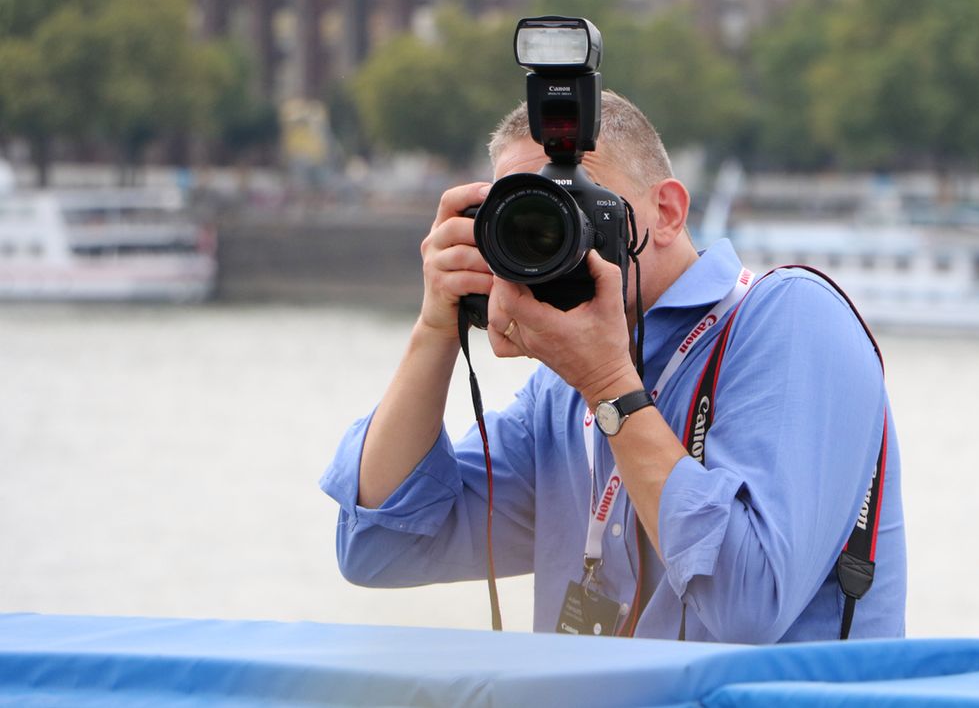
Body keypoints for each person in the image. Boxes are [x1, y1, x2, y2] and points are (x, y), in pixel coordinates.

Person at [320, 92, 906, 643]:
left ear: (668, 212)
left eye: (582, 204)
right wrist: (435, 329)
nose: (553, 238)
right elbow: (377, 548)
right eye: (525, 220)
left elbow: (746, 607)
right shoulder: (559, 396)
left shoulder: (790, 319)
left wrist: (609, 389)